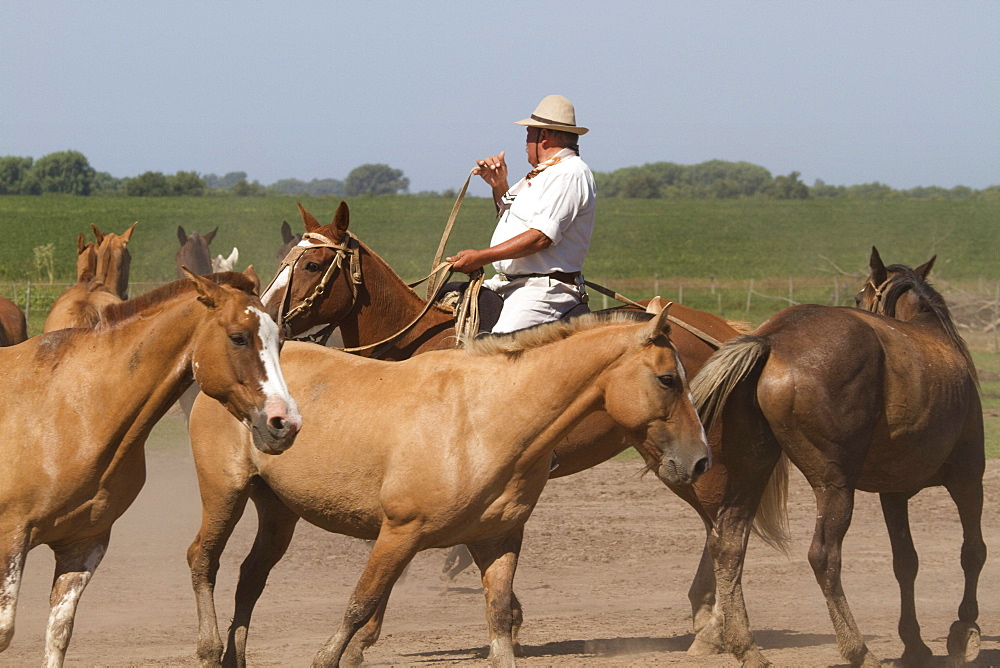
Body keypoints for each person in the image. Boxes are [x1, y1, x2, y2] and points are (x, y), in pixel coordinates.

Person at [447, 94, 596, 334]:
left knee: (497, 349)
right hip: (509, 283)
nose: (525, 141)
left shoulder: (570, 173)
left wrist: (480, 257)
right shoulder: (542, 174)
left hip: (542, 291)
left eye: (528, 133)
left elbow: (540, 237)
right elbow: (512, 219)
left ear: (543, 136)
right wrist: (499, 185)